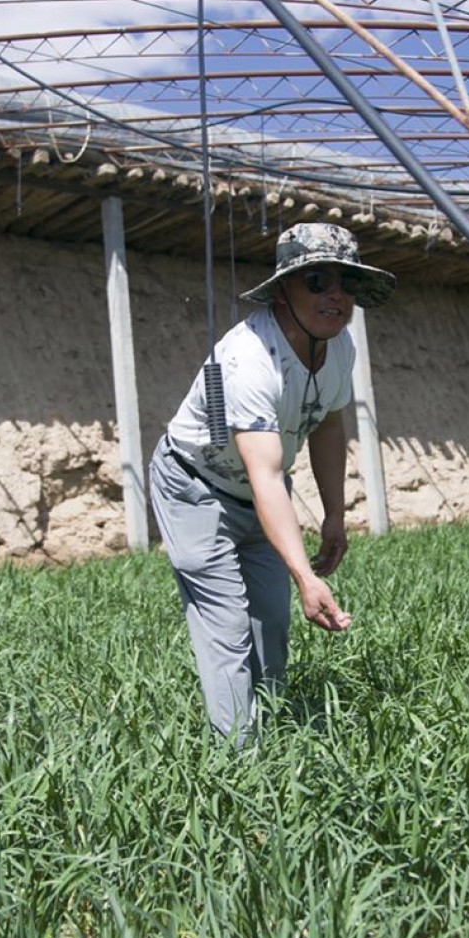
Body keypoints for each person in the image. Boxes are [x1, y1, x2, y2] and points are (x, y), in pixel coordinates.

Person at [149, 222, 397, 745]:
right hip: (194, 488)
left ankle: (276, 737)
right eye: (318, 281)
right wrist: (306, 576)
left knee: (271, 622)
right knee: (227, 627)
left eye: (347, 283)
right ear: (284, 288)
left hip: (258, 492)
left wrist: (334, 515)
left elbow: (328, 425)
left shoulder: (340, 346)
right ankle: (236, 763)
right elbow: (265, 473)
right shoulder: (248, 360)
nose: (335, 296)